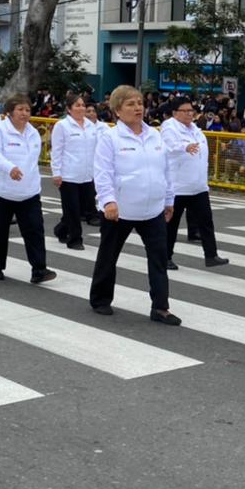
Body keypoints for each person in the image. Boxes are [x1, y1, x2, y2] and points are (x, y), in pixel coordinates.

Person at [89, 85, 179, 323]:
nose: (138, 107)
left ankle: (160, 307)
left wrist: (169, 200)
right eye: (130, 104)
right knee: (109, 256)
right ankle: (100, 299)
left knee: (159, 259)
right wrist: (108, 201)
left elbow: (166, 171)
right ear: (117, 110)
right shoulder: (110, 137)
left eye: (139, 103)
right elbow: (102, 173)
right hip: (120, 210)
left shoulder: (155, 135)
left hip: (152, 210)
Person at [0, 95, 56, 284]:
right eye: (20, 110)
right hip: (0, 190)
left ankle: (39, 269)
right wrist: (10, 168)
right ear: (9, 112)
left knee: (35, 230)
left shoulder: (32, 132)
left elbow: (32, 161)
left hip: (28, 192)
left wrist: (33, 182)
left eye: (27, 110)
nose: (25, 113)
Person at [161, 96, 229, 269]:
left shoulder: (195, 129)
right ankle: (165, 257)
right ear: (175, 113)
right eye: (185, 111)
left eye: (191, 110)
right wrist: (184, 147)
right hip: (178, 186)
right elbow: (169, 146)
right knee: (172, 224)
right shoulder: (169, 127)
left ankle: (211, 255)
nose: (189, 114)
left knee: (206, 221)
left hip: (198, 185)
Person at [51, 93, 101, 252]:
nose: (81, 108)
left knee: (80, 208)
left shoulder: (91, 126)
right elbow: (56, 151)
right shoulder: (62, 126)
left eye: (82, 105)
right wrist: (56, 172)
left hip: (87, 174)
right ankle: (74, 239)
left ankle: (61, 229)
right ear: (69, 109)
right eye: (77, 105)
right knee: (72, 208)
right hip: (68, 174)